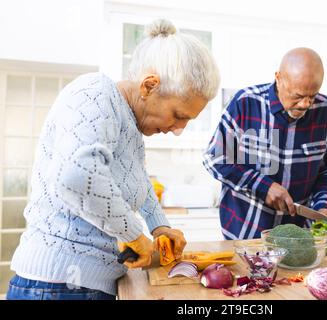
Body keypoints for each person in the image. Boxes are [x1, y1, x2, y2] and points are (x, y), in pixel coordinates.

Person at [7, 19, 220, 300]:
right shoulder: (95, 93)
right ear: (149, 85)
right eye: (178, 115)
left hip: (87, 285)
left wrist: (160, 226)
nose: (179, 129)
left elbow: (138, 178)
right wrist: (135, 235)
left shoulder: (129, 124)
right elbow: (78, 175)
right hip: (57, 284)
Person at [203, 47, 327, 240]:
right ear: (279, 78)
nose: (305, 104)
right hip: (246, 234)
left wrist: (323, 207)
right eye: (298, 96)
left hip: (299, 238)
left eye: (312, 96)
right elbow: (215, 158)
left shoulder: (326, 111)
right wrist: (263, 186)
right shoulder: (246, 103)